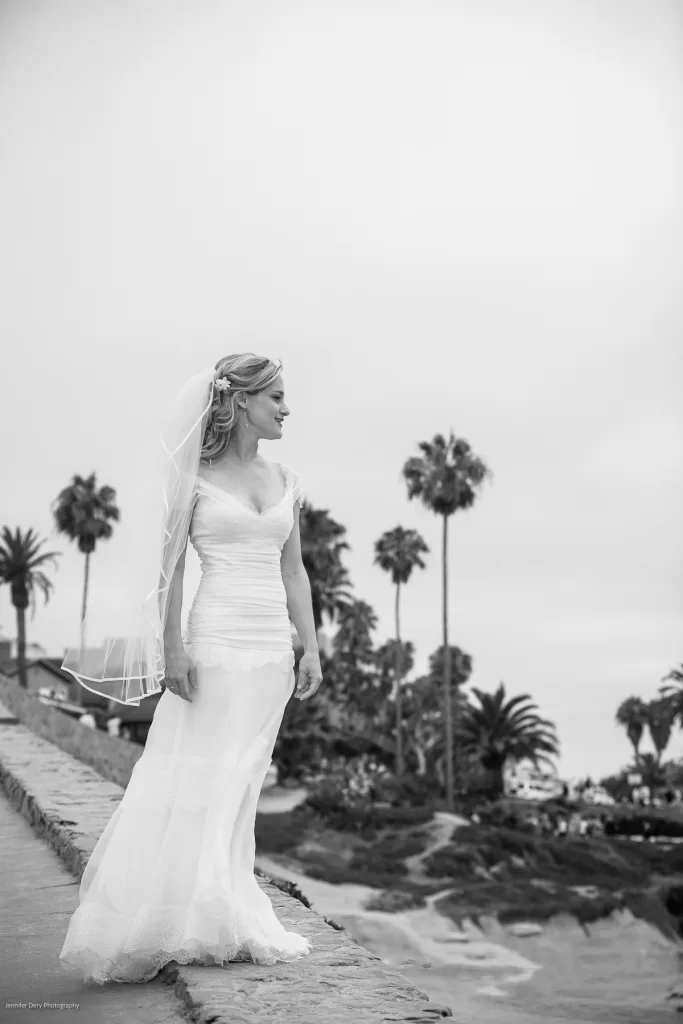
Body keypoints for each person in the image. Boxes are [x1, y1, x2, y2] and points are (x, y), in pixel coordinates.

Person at [59, 354, 322, 984]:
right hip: (214, 640)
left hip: (270, 651)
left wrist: (309, 646)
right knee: (199, 771)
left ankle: (222, 905)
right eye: (278, 397)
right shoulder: (194, 478)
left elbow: (295, 571)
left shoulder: (285, 476)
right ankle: (178, 913)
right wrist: (171, 647)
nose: (288, 408)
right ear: (243, 403)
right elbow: (171, 568)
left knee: (243, 778)